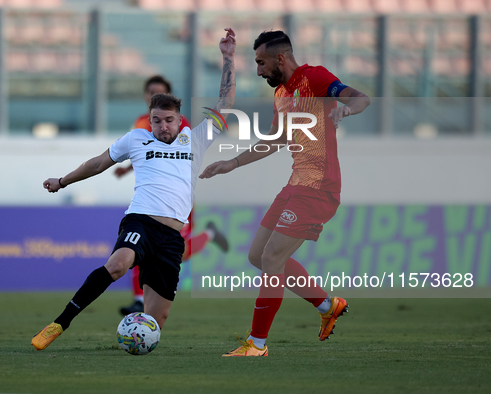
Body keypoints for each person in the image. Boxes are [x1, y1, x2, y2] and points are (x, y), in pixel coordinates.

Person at [31, 27, 236, 351]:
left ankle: (135, 348)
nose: (162, 126)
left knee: (156, 321)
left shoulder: (196, 138)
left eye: (168, 120)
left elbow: (225, 103)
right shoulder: (137, 139)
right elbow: (98, 163)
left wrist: (228, 59)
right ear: (150, 119)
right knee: (118, 264)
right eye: (156, 120)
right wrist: (62, 181)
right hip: (140, 220)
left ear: (179, 118)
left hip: (172, 237)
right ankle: (60, 323)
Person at [199, 30, 370, 356]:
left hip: (319, 187)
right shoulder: (281, 93)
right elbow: (276, 139)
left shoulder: (315, 78)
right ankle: (327, 305)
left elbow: (361, 98)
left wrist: (346, 109)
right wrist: (232, 162)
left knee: (273, 258)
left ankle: (257, 344)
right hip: (295, 185)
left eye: (261, 63)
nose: (259, 70)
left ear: (280, 58)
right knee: (257, 256)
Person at [116, 75, 229, 316]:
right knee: (138, 246)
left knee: (181, 253)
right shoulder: (140, 123)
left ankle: (209, 233)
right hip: (149, 201)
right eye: (150, 92)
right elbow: (145, 152)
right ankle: (139, 300)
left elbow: (173, 154)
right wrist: (126, 167)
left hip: (178, 200)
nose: (152, 95)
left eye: (158, 91)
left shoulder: (180, 123)